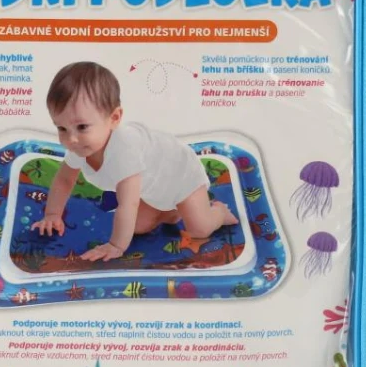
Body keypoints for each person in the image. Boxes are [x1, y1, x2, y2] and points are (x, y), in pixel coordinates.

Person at [33, 61, 236, 261]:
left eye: (82, 127)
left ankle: (219, 212)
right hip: (153, 188)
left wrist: (116, 246)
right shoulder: (80, 146)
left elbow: (128, 204)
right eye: (62, 128)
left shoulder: (124, 151)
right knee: (138, 227)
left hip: (180, 176)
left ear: (114, 118)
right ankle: (171, 213)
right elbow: (64, 180)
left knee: (200, 229)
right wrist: (52, 214)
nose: (71, 139)